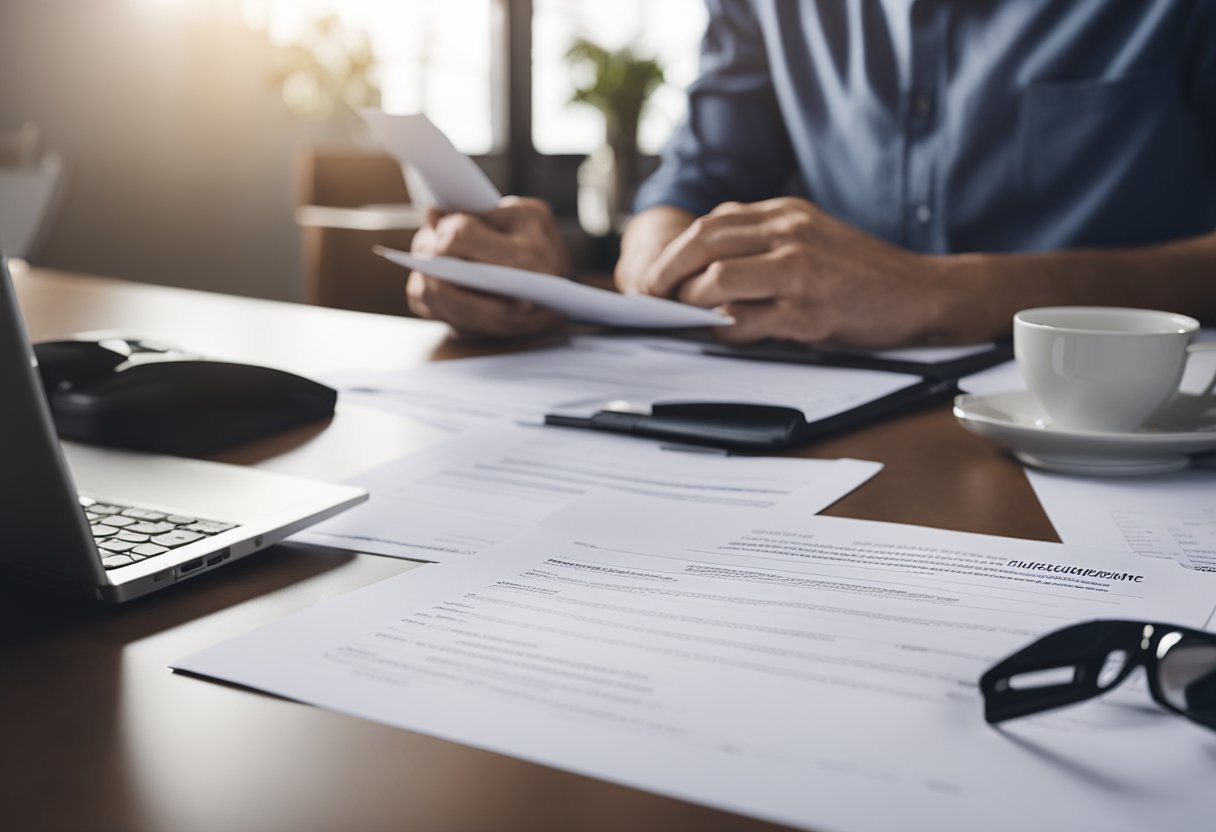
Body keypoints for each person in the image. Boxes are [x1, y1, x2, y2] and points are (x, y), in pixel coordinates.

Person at [407, 1, 1216, 347]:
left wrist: (934, 294)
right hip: (827, 427)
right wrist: (580, 285)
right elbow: (687, 187)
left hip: (1133, 440)